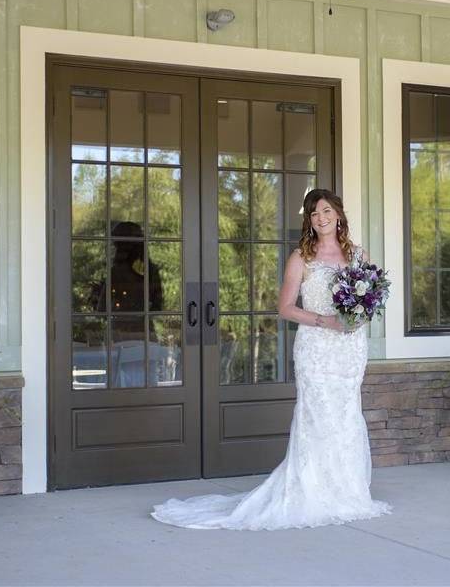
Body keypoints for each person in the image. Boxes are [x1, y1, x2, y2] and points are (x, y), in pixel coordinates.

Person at [150, 189, 392, 530]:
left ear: (338, 214)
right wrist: (326, 321)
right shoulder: (301, 258)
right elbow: (285, 308)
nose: (321, 217)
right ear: (308, 221)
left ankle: (347, 492)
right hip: (317, 347)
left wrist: (356, 319)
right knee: (317, 415)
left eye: (326, 210)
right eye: (313, 213)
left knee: (347, 413)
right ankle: (312, 494)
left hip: (350, 349)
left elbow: (368, 301)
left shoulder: (358, 254)